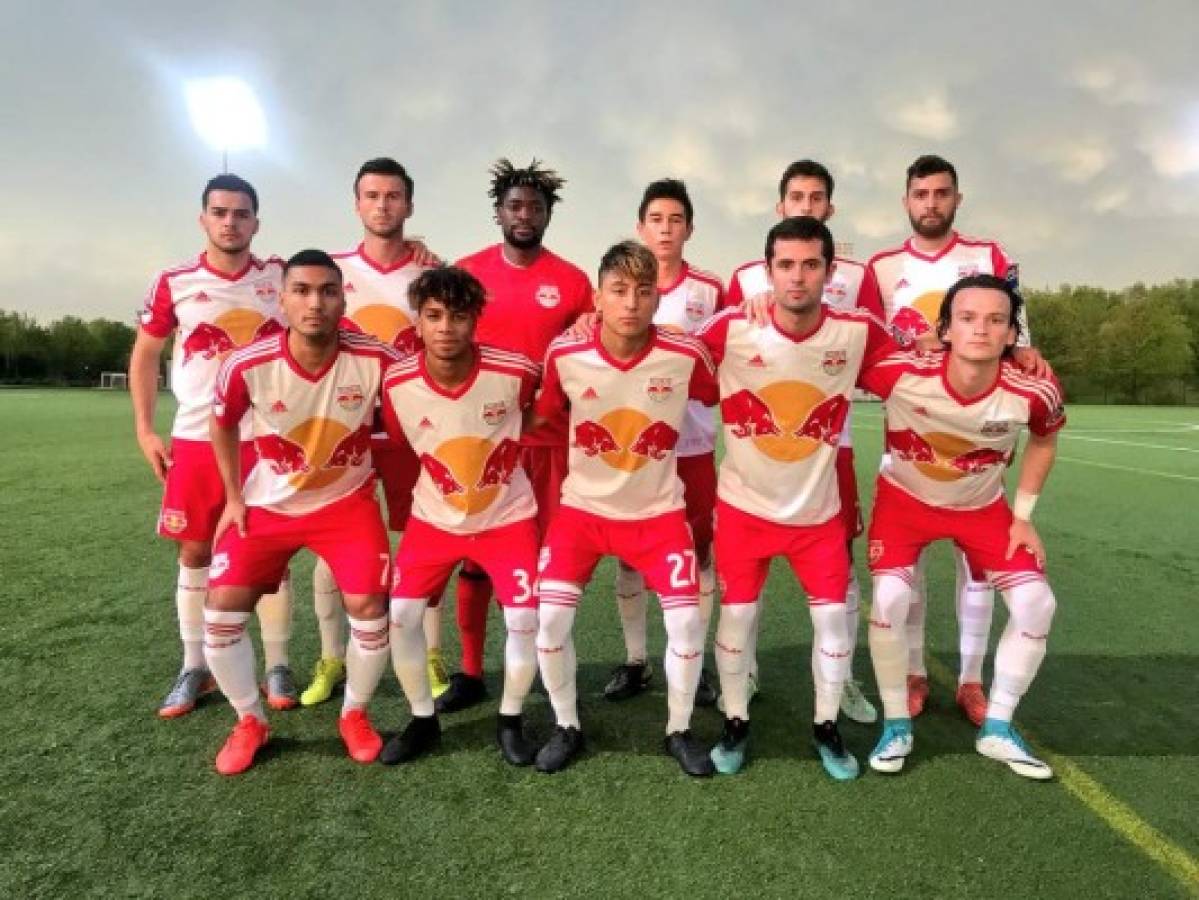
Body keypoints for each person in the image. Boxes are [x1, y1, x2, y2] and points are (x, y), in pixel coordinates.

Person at [698, 217, 898, 780]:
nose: (797, 276)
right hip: (744, 510)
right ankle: (735, 722)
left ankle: (825, 726)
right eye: (785, 265)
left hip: (817, 515)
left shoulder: (857, 330)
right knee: (735, 620)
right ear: (768, 271)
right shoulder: (731, 327)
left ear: (830, 272)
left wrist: (1010, 353)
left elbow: (918, 361)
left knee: (833, 623)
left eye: (811, 265)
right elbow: (661, 351)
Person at [203, 249, 402, 775]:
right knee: (220, 610)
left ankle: (354, 714)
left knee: (370, 607)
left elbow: (430, 383)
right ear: (282, 298)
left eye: (328, 291)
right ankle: (249, 720)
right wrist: (233, 497)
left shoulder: (376, 358)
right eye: (302, 290)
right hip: (267, 506)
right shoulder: (247, 364)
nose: (315, 303)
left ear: (343, 300)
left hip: (346, 504)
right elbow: (221, 424)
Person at [859, 273, 1064, 779]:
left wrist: (1024, 516)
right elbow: (834, 356)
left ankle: (998, 727)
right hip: (904, 505)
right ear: (945, 328)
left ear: (1012, 334)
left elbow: (1044, 439)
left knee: (1038, 603)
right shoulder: (899, 371)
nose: (981, 329)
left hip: (982, 509)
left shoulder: (1034, 388)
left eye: (996, 320)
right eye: (967, 318)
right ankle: (895, 724)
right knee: (889, 599)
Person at [532, 241, 719, 777]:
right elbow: (546, 415)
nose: (631, 303)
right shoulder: (565, 354)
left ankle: (679, 729)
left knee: (686, 625)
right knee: (550, 620)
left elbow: (720, 391)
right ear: (598, 297)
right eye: (618, 290)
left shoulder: (685, 354)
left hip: (658, 515)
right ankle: (566, 724)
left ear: (658, 298)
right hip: (582, 514)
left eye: (643, 291)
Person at [865, 155, 1039, 725]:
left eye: (941, 193)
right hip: (913, 429)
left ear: (957, 199)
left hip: (977, 438)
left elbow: (1017, 332)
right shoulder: (883, 267)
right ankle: (914, 672)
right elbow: (872, 342)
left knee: (978, 568)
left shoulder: (990, 256)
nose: (931, 203)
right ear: (906, 201)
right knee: (905, 573)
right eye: (921, 194)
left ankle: (970, 680)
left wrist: (1025, 352)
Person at [129, 174, 295, 718]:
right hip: (198, 437)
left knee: (268, 554)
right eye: (220, 212)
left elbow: (342, 285)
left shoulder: (279, 276)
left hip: (266, 437)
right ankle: (193, 665)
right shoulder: (174, 281)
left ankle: (278, 664)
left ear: (256, 223)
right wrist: (145, 429)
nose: (230, 222)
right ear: (203, 219)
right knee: (195, 551)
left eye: (241, 213)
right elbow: (146, 354)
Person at [724, 159, 883, 723]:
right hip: (763, 449)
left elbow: (878, 349)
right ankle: (745, 672)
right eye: (797, 197)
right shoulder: (746, 277)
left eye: (817, 198)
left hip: (829, 447)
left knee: (839, 565)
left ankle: (844, 679)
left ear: (830, 209)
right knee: (747, 574)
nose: (807, 206)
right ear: (780, 206)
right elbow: (716, 344)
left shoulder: (856, 276)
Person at [436, 158, 592, 714]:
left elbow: (590, 352)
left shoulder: (572, 281)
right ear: (498, 212)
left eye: (535, 207)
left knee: (546, 564)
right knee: (476, 558)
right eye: (515, 206)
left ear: (548, 214)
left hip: (548, 442)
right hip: (482, 442)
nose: (525, 215)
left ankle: (547, 667)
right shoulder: (466, 272)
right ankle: (471, 671)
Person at [377, 267, 541, 766]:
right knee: (401, 616)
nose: (446, 327)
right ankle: (422, 719)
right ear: (418, 321)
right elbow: (403, 441)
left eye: (458, 316)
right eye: (434, 316)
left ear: (475, 320)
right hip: (435, 519)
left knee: (524, 617)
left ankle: (510, 718)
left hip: (507, 517)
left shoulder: (517, 371)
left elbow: (540, 413)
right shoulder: (397, 381)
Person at [301, 157, 439, 708]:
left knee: (423, 542)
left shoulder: (429, 273)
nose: (383, 205)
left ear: (410, 204)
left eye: (393, 196)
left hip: (411, 427)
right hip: (344, 429)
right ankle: (331, 657)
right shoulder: (330, 271)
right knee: (331, 547)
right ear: (357, 203)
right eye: (373, 196)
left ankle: (430, 654)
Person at [603, 178, 725, 707]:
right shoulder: (618, 287)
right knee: (629, 557)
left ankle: (694, 661)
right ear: (640, 226)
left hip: (692, 445)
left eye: (676, 220)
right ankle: (637, 660)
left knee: (699, 555)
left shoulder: (711, 289)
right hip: (633, 450)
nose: (666, 229)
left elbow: (731, 350)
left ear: (690, 228)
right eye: (656, 219)